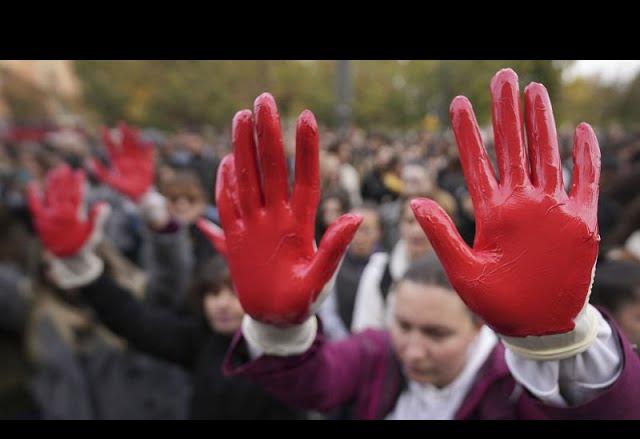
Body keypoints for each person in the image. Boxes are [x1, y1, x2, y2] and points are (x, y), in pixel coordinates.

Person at [211, 74, 640, 419]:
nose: (414, 351)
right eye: (404, 326)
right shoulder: (377, 355)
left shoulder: (512, 385)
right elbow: (315, 384)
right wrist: (277, 330)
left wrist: (553, 343)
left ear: (478, 329)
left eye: (437, 333)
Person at [26, 126, 307, 420]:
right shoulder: (201, 341)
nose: (221, 304)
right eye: (212, 294)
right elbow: (133, 319)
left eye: (233, 294)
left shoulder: (283, 354)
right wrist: (82, 270)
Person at [351, 197, 433, 332]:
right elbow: (366, 333)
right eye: (410, 221)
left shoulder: (456, 276)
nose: (417, 230)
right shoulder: (379, 271)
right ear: (400, 225)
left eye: (425, 221)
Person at [318, 202, 383, 338]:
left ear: (378, 232)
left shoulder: (386, 266)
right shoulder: (335, 262)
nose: (359, 236)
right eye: (355, 229)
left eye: (365, 230)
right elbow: (327, 309)